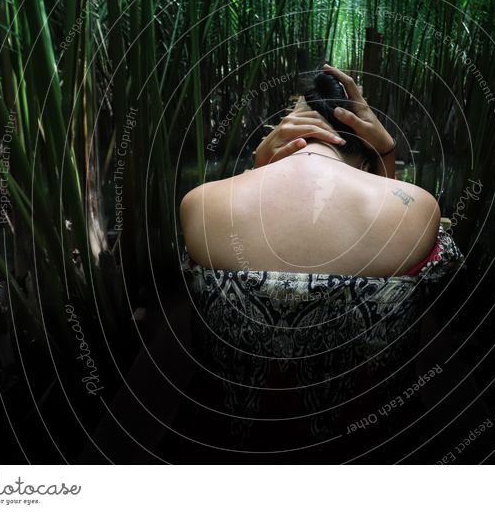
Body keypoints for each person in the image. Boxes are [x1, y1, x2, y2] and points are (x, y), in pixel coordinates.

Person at [177, 64, 463, 456]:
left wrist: (259, 169)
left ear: (282, 133)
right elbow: (394, 210)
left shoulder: (201, 204)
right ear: (363, 144)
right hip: (373, 448)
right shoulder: (418, 209)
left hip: (235, 448)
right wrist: (386, 153)